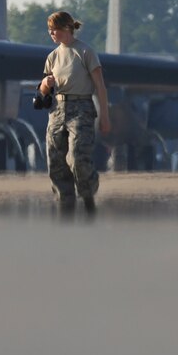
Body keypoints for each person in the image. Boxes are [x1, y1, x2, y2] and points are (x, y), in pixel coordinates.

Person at [39, 11, 111, 213]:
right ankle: (65, 205)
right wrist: (45, 84)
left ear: (67, 28)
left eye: (55, 29)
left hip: (81, 109)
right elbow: (43, 92)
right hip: (57, 110)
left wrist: (104, 115)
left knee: (78, 157)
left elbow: (100, 86)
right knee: (56, 161)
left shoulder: (85, 52)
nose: (52, 33)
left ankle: (88, 192)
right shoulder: (52, 57)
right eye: (49, 30)